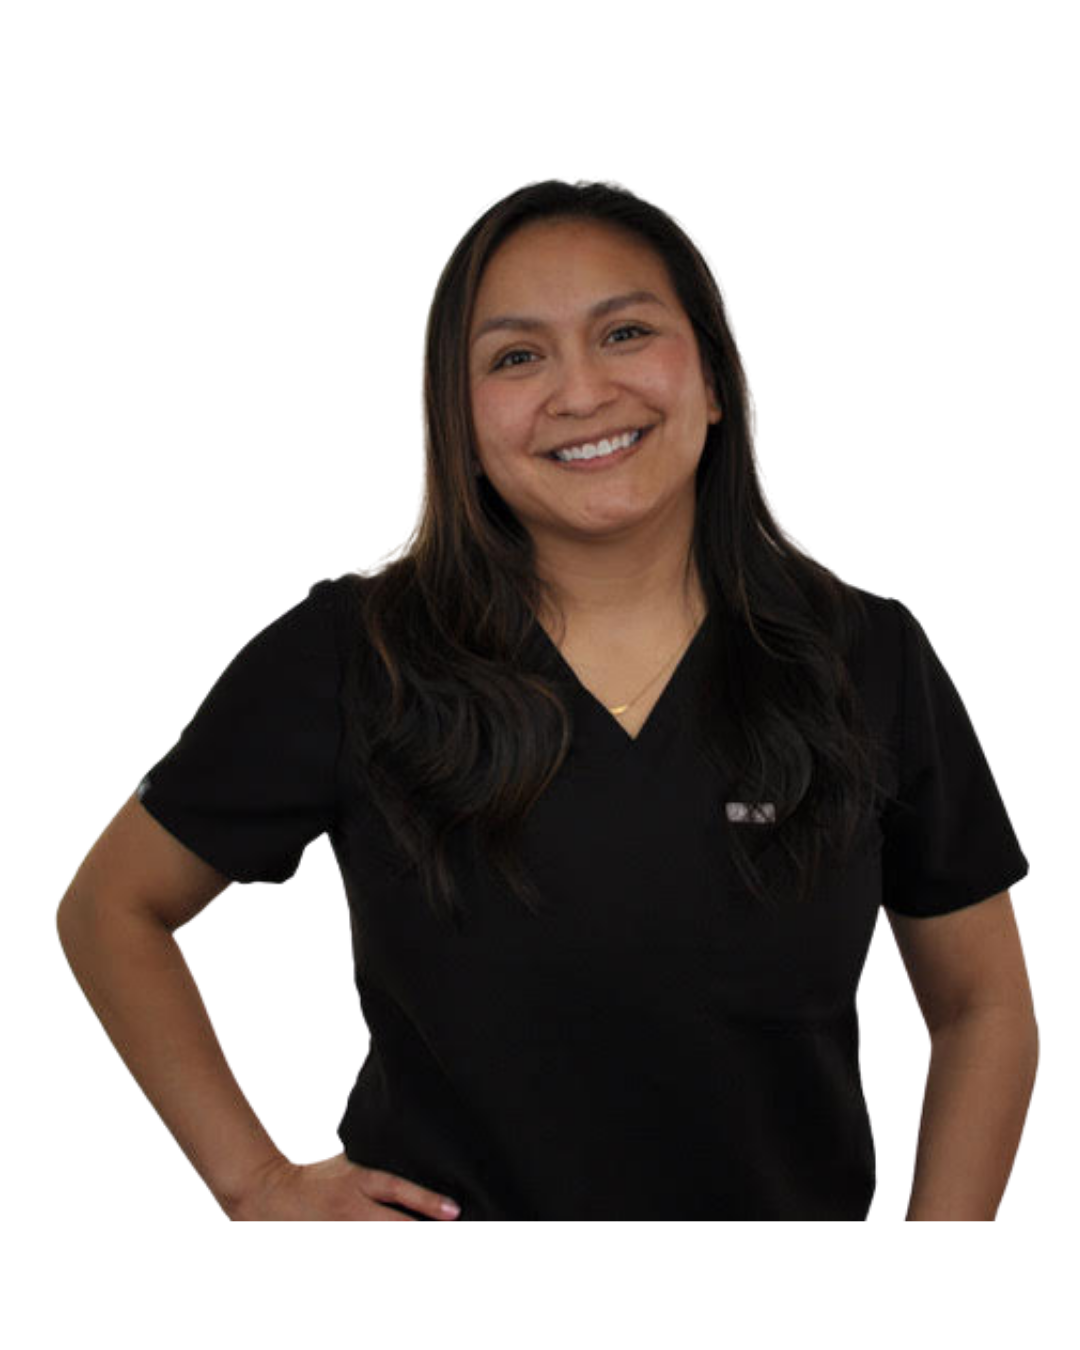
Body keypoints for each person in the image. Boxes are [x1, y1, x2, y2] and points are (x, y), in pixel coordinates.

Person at [53, 178, 1033, 1247]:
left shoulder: (869, 658)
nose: (581, 391)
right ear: (459, 424)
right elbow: (109, 907)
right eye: (517, 356)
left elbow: (984, 1004)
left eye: (625, 332)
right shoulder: (353, 650)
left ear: (713, 379)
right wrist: (251, 1183)